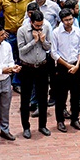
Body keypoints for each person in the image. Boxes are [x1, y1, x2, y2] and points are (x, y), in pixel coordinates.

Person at [16, 10, 52, 138]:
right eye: (36, 26)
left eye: (40, 25)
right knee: (25, 98)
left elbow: (49, 47)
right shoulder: (22, 31)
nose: (39, 27)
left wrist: (43, 41)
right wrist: (34, 41)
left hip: (42, 66)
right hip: (27, 68)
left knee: (43, 97)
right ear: (31, 22)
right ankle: (26, 127)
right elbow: (21, 51)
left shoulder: (46, 27)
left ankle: (42, 125)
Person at [51, 8, 80, 133]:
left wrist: (77, 65)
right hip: (62, 68)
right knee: (61, 96)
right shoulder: (56, 33)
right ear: (61, 20)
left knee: (76, 95)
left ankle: (75, 119)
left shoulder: (77, 31)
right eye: (66, 20)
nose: (69, 22)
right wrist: (67, 66)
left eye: (71, 19)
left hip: (76, 67)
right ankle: (60, 121)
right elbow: (54, 53)